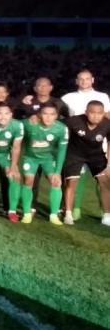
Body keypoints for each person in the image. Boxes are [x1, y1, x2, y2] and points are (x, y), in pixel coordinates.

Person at [60, 70, 110, 221]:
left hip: (98, 144)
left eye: (87, 79)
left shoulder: (103, 97)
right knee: (73, 179)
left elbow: (107, 115)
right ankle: (73, 210)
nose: (84, 81)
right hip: (75, 144)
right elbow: (57, 114)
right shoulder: (67, 97)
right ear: (76, 81)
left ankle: (105, 213)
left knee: (104, 180)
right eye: (81, 79)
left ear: (92, 80)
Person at [19, 102, 68, 225]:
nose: (48, 117)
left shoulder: (61, 129)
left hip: (48, 159)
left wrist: (57, 172)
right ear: (39, 114)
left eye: (52, 114)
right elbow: (14, 125)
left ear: (57, 116)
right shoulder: (29, 124)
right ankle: (26, 213)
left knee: (56, 181)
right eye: (45, 114)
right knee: (28, 181)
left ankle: (53, 215)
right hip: (30, 158)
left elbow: (62, 151)